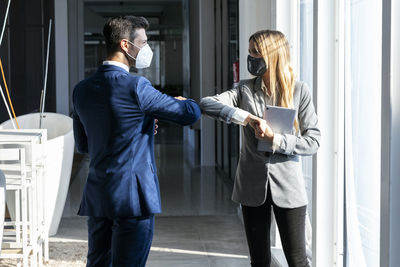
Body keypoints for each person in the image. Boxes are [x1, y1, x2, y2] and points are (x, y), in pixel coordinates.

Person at [72, 16, 201, 267]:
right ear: (125, 45)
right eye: (143, 42)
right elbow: (189, 115)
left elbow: (84, 145)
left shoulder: (82, 89)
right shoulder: (137, 86)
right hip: (133, 198)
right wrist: (185, 101)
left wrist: (140, 125)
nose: (147, 48)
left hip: (99, 196)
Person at [199, 30, 321, 267]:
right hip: (251, 186)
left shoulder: (299, 91)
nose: (251, 57)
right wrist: (246, 118)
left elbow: (313, 141)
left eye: (256, 52)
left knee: (298, 260)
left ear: (273, 55)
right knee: (259, 260)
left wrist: (276, 139)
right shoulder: (244, 89)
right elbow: (207, 103)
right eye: (250, 52)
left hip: (289, 187)